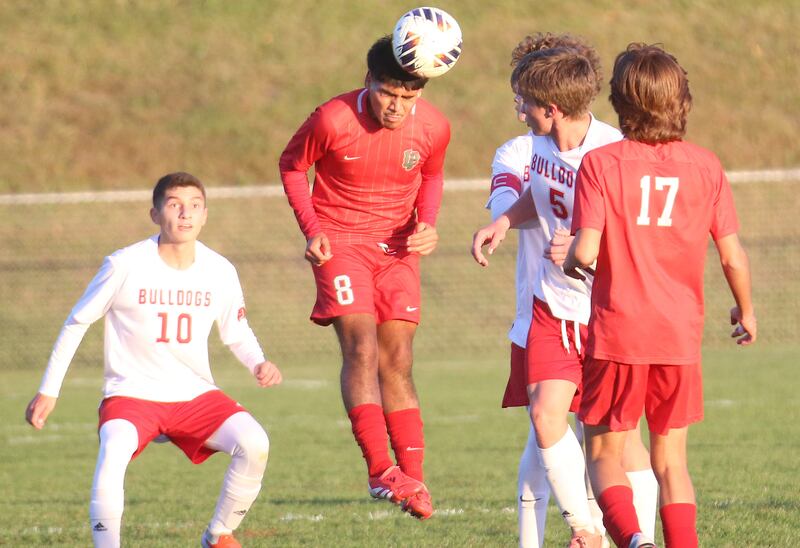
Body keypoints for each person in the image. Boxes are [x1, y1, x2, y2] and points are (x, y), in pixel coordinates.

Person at [24, 172, 283, 548]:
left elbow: (236, 332)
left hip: (194, 395)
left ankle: (218, 534)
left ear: (205, 215)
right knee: (113, 453)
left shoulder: (220, 270)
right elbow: (77, 322)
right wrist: (49, 390)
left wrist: (258, 362)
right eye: (175, 205)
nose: (185, 214)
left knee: (255, 442)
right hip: (132, 395)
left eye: (194, 206)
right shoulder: (124, 264)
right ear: (155, 213)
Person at [564, 43, 756, 548]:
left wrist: (570, 260)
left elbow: (585, 251)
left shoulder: (601, 164)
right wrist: (747, 308)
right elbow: (732, 255)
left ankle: (632, 539)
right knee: (671, 462)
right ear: (681, 99)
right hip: (679, 334)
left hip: (619, 332)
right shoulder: (706, 166)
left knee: (604, 454)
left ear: (619, 101)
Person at [473, 45, 656, 547]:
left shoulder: (614, 153)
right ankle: (586, 527)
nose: (518, 110)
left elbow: (640, 243)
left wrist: (584, 251)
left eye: (523, 102)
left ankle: (642, 537)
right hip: (553, 306)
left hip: (605, 314)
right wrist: (505, 221)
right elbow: (541, 193)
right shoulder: (543, 145)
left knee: (622, 440)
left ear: (551, 109)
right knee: (544, 414)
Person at [278, 35, 450, 520]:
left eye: (408, 97)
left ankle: (413, 478)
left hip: (397, 250)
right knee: (363, 347)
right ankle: (380, 470)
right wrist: (311, 231)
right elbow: (292, 166)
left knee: (398, 358)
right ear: (368, 80)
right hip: (341, 242)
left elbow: (432, 176)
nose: (397, 107)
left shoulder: (435, 127)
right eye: (387, 94)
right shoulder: (333, 118)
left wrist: (427, 223)